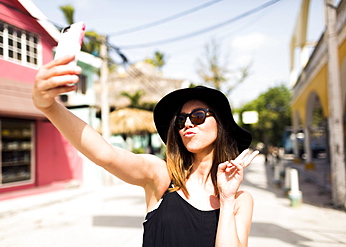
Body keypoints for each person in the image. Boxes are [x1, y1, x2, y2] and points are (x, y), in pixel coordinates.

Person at [33, 55, 259, 247]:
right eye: (181, 120)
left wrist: (227, 198)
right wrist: (49, 107)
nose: (188, 124)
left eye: (198, 116)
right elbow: (106, 154)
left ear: (222, 126)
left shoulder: (240, 200)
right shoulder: (162, 175)